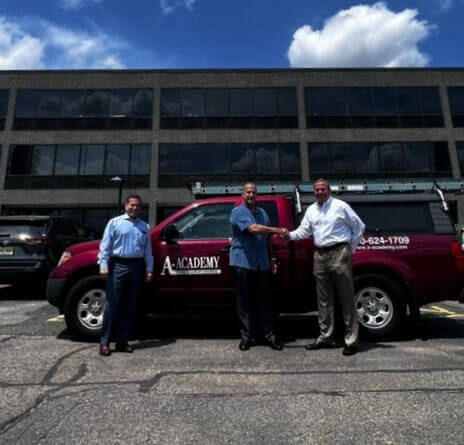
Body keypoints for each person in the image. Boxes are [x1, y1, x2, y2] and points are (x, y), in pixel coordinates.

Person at [281, 179, 365, 356]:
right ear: (314, 192)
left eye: (322, 189)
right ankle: (326, 337)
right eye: (316, 189)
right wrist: (288, 235)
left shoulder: (341, 206)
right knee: (323, 300)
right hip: (319, 255)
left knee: (346, 298)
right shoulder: (311, 210)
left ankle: (351, 341)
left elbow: (359, 227)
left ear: (329, 190)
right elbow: (304, 231)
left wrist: (350, 249)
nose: (319, 192)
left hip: (339, 252)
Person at [229, 182, 284, 351]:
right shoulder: (237, 212)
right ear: (242, 195)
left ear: (256, 195)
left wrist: (272, 258)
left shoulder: (262, 213)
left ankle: (269, 335)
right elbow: (253, 229)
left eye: (254, 192)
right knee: (244, 301)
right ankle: (246, 336)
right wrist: (277, 229)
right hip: (243, 262)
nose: (251, 195)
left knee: (265, 300)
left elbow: (267, 239)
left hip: (262, 263)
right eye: (248, 192)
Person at [98, 195, 153, 356]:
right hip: (117, 265)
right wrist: (103, 265)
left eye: (138, 206)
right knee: (112, 305)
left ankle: (122, 342)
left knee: (129, 307)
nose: (135, 208)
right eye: (132, 205)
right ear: (126, 206)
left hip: (136, 266)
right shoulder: (115, 223)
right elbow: (105, 246)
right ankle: (105, 343)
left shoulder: (144, 226)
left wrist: (149, 269)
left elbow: (148, 251)